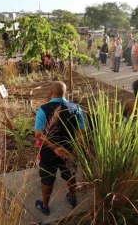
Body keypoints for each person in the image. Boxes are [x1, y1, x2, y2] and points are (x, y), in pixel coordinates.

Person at [34, 81, 86, 215]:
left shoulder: (43, 109)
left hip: (48, 151)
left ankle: (45, 206)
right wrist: (74, 151)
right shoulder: (76, 108)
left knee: (47, 179)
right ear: (66, 93)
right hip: (69, 151)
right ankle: (72, 199)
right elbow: (82, 132)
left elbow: (38, 134)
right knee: (70, 175)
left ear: (51, 93)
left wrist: (55, 148)